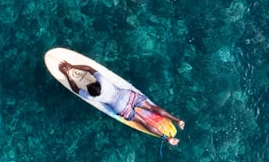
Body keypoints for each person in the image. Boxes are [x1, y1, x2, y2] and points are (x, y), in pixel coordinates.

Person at [57, 60, 185, 144]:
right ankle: (177, 120)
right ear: (96, 83)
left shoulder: (92, 97)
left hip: (120, 107)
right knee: (152, 107)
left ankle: (168, 138)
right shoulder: (102, 81)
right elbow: (88, 68)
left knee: (142, 122)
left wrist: (67, 73)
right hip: (127, 95)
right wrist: (72, 66)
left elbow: (75, 88)